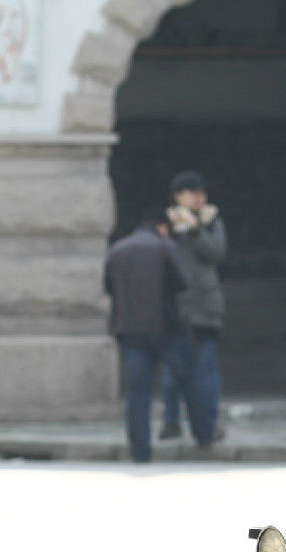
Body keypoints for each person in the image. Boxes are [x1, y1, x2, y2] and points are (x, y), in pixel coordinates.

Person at [104, 208, 216, 462]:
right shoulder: (165, 247)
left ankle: (140, 451)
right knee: (190, 380)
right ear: (161, 227)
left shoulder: (118, 250)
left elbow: (109, 287)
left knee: (137, 392)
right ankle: (203, 434)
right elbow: (181, 283)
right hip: (167, 328)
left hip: (130, 330)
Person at [159, 170, 226, 441]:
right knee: (172, 368)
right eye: (193, 192)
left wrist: (198, 229)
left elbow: (216, 252)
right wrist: (176, 229)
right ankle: (171, 421)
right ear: (178, 196)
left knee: (206, 368)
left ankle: (209, 423)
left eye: (202, 193)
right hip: (175, 306)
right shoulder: (166, 223)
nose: (200, 198)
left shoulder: (210, 222)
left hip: (206, 307)